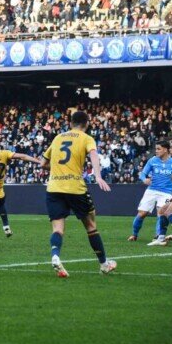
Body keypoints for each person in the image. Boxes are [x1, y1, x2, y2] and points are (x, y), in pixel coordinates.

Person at [40, 111, 117, 278]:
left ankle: (55, 256)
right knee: (90, 225)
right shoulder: (86, 138)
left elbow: (43, 163)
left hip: (53, 187)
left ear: (70, 123)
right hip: (75, 187)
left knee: (58, 228)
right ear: (87, 124)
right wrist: (97, 176)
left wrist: (58, 170)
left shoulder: (58, 137)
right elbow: (94, 155)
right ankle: (104, 264)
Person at [128, 141, 172, 242]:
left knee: (161, 212)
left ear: (166, 149)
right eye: (156, 149)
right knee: (142, 213)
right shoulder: (152, 160)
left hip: (166, 192)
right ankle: (134, 234)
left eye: (158, 149)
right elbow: (142, 174)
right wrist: (144, 179)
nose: (156, 151)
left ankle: (159, 235)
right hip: (151, 190)